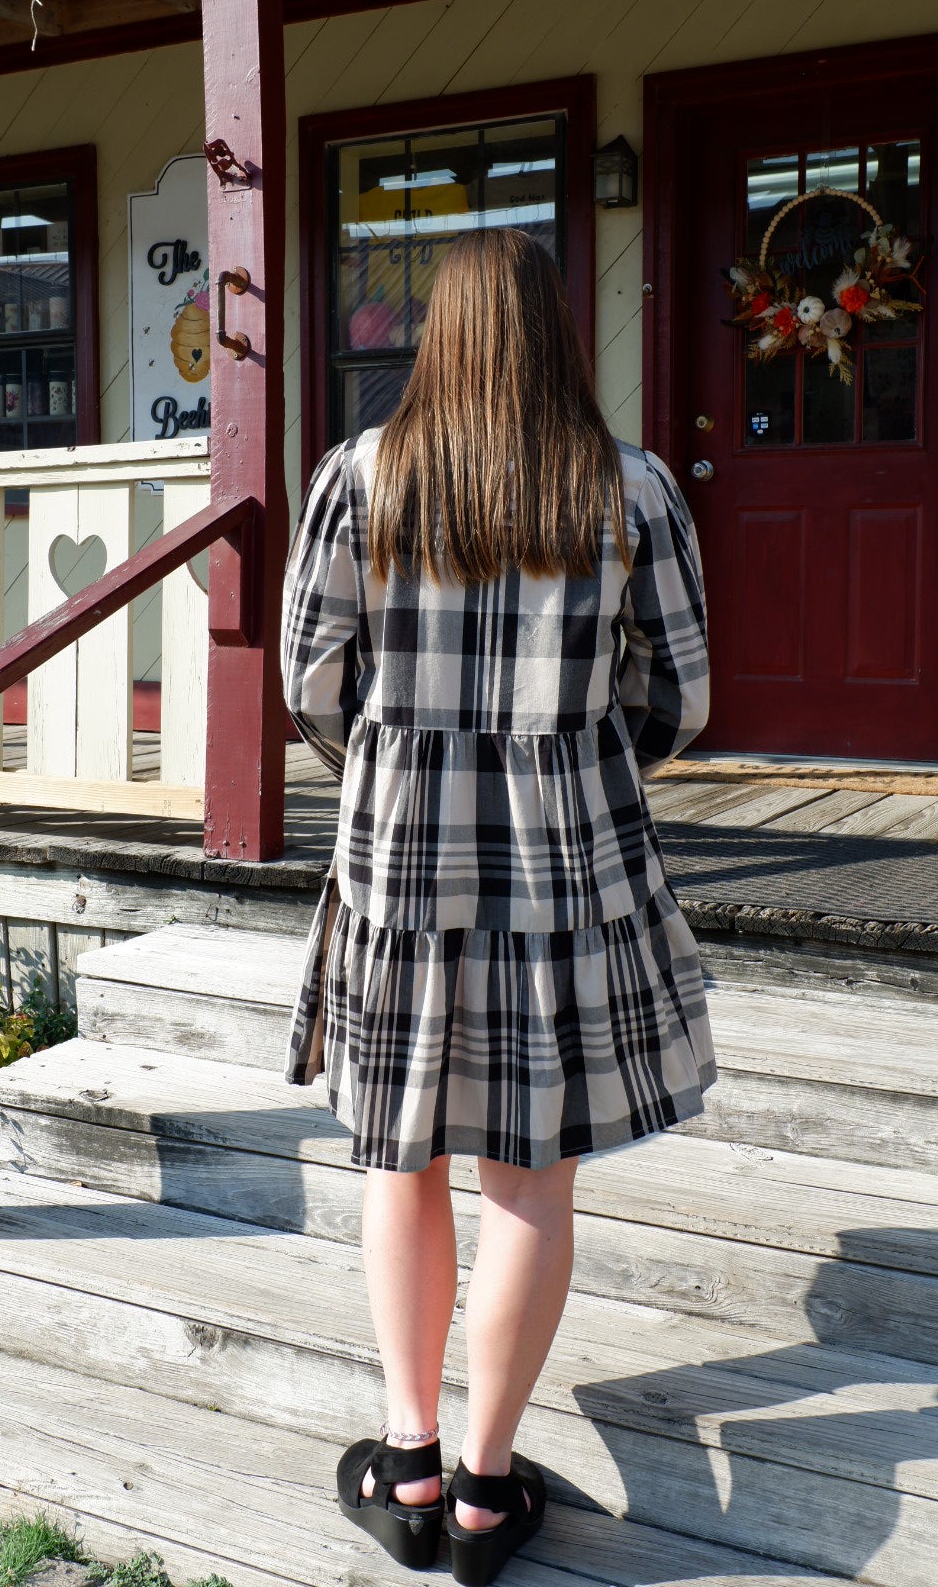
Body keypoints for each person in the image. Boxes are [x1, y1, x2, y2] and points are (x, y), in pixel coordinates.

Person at [281, 227, 714, 1584]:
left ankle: (405, 1457)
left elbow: (310, 679)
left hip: (402, 862)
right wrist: (577, 767)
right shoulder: (632, 489)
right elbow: (682, 696)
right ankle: (481, 1494)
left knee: (396, 1153)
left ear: (440, 336)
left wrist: (398, 769)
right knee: (530, 1179)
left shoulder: (358, 479)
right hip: (567, 873)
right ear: (556, 335)